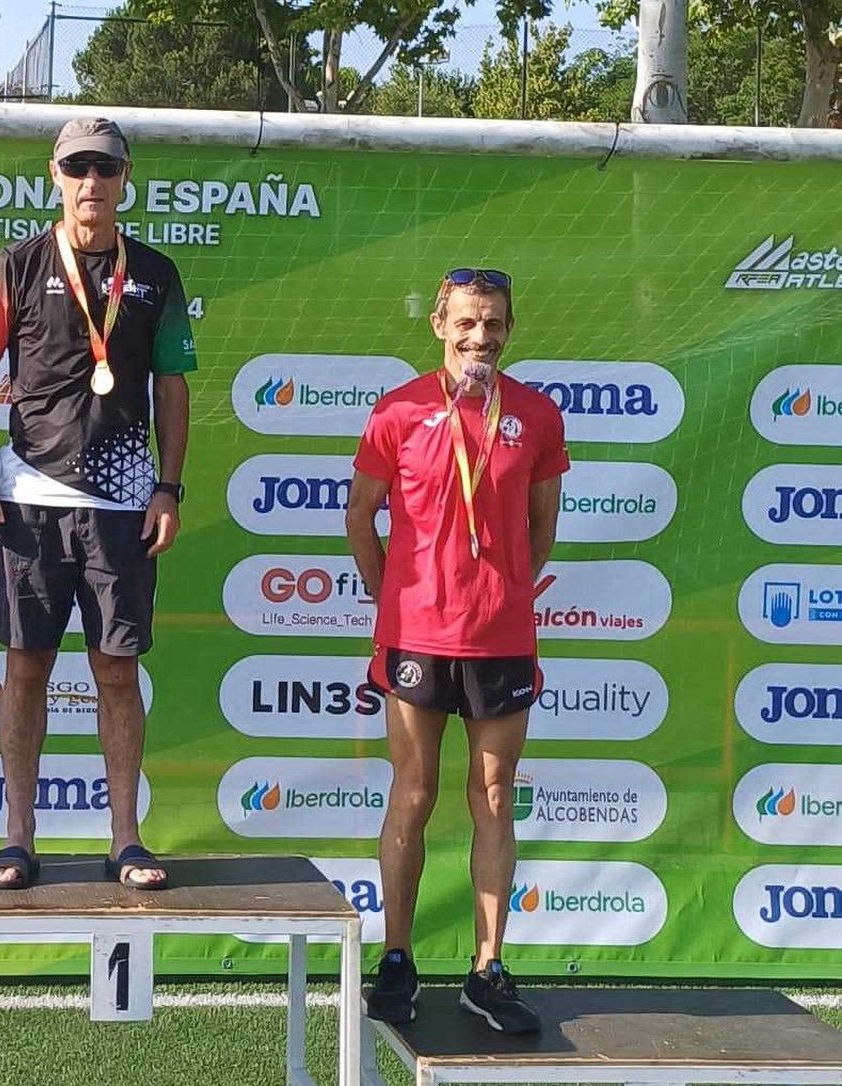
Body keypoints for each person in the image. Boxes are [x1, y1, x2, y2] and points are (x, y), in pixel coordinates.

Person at [0, 117, 197, 891]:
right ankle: (17, 838)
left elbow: (172, 385)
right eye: (77, 168)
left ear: (127, 177)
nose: (91, 182)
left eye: (105, 168)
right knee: (25, 668)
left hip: (123, 504)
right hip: (28, 497)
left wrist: (168, 485)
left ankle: (125, 838)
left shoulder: (156, 273)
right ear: (54, 175)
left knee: (116, 671)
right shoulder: (17, 266)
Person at [346, 268, 566, 1033]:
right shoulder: (399, 410)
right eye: (468, 322)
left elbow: (541, 531)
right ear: (440, 322)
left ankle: (488, 967)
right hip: (415, 638)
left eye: (495, 324)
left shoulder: (536, 415)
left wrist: (499, 594)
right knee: (413, 793)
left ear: (510, 328)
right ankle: (398, 958)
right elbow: (359, 520)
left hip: (501, 638)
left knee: (495, 796)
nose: (481, 338)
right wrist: (397, 601)